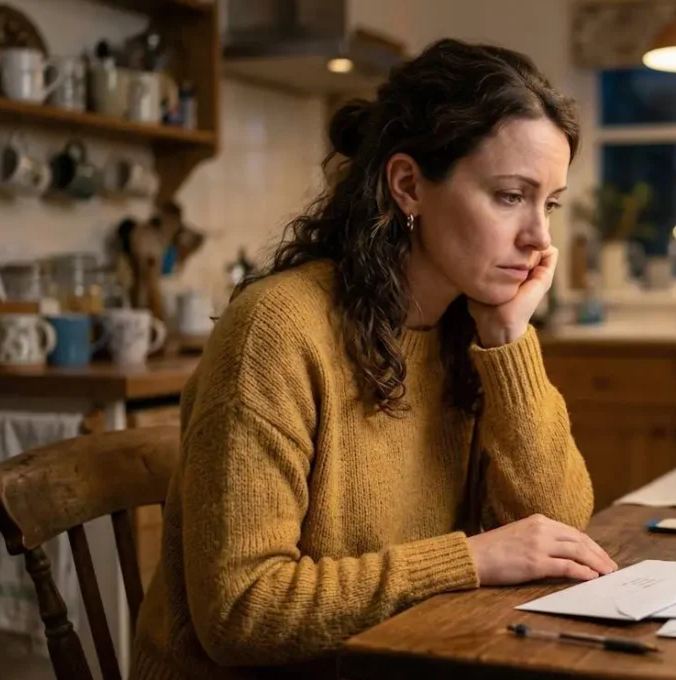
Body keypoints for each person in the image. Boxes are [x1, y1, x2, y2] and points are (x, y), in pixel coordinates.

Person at [130, 39, 616, 678]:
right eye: (508, 196)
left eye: (548, 203)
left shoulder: (465, 325)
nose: (538, 238)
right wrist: (471, 560)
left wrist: (507, 339)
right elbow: (240, 613)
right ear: (409, 185)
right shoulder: (277, 331)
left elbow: (558, 530)